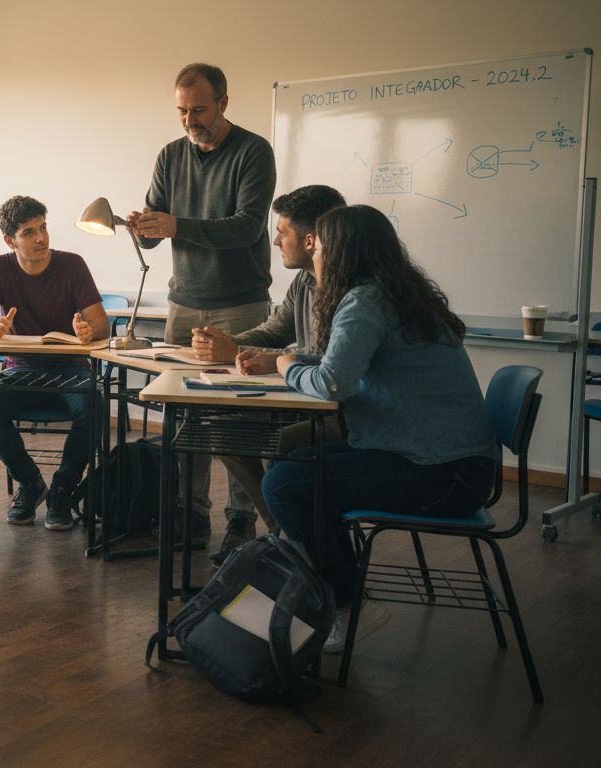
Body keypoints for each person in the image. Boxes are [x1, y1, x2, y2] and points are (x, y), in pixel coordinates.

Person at [262, 204, 500, 652]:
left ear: (341, 252)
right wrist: (296, 363)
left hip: (439, 473)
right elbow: (352, 364)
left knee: (284, 484)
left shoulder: (365, 301)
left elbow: (334, 382)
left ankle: (346, 604)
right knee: (290, 465)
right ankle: (334, 591)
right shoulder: (398, 294)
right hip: (458, 464)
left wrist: (286, 366)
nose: (313, 256)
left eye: (319, 247)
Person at [127, 62, 277, 548]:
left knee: (240, 418)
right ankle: (190, 514)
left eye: (198, 110)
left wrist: (176, 225)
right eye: (181, 111)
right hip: (184, 303)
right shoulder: (171, 155)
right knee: (184, 413)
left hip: (240, 304)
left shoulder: (254, 152)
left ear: (224, 104)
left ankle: (242, 518)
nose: (189, 120)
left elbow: (246, 228)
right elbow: (158, 231)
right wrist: (143, 228)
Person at [189, 184, 347, 564]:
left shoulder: (349, 289)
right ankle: (285, 537)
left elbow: (330, 361)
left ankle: (290, 543)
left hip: (341, 411)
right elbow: (274, 331)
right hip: (304, 398)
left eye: (282, 232)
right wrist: (225, 345)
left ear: (310, 240)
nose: (275, 241)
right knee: (222, 427)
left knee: (274, 446)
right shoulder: (304, 281)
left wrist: (243, 352)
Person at [0, 196, 109, 531]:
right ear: (9, 241)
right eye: (29, 232)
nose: (41, 237)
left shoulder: (72, 264)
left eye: (43, 228)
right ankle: (30, 483)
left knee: (95, 405)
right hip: (21, 370)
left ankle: (63, 488)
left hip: (71, 368)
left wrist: (88, 331)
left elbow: (102, 324)